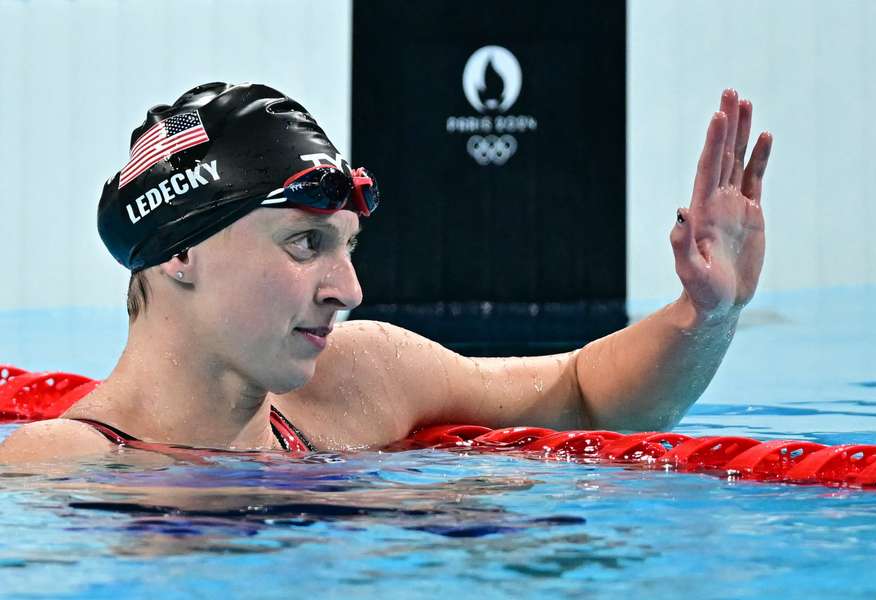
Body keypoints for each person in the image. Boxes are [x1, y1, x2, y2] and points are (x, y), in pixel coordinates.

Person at [0, 82, 772, 462]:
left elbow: (581, 392)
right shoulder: (51, 473)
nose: (349, 290)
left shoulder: (360, 378)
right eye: (306, 245)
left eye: (348, 247)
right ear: (179, 250)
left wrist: (706, 316)